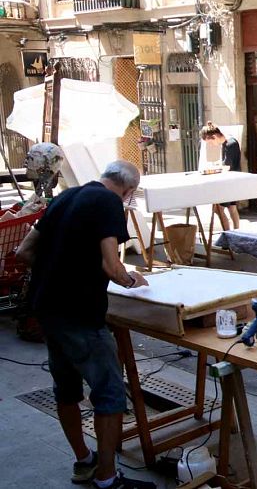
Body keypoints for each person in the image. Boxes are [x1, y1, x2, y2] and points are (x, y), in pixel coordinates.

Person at [16, 160, 153, 489]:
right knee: (109, 395)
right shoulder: (109, 202)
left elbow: (24, 251)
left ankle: (84, 462)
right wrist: (134, 280)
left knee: (66, 390)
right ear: (128, 191)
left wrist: (58, 273)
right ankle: (107, 478)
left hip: (48, 311)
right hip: (79, 314)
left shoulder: (67, 196)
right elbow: (112, 265)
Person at [200, 121, 241, 231]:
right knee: (232, 207)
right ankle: (236, 232)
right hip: (232, 181)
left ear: (214, 137)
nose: (211, 145)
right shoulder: (228, 142)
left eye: (210, 142)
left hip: (229, 182)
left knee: (218, 209)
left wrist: (213, 169)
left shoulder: (229, 144)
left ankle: (228, 233)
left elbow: (227, 165)